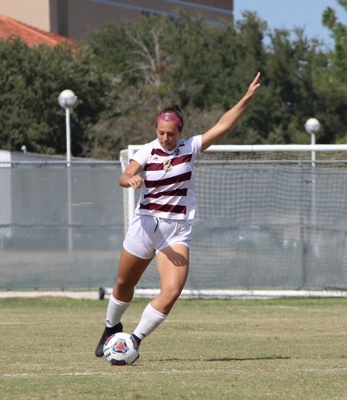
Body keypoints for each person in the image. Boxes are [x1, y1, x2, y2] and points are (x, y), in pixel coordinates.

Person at [95, 72, 262, 358]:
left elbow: (222, 125)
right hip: (145, 226)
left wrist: (246, 98)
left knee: (171, 291)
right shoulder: (147, 152)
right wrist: (131, 180)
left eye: (171, 133)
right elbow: (125, 176)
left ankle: (133, 340)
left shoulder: (190, 148)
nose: (165, 137)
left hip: (176, 231)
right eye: (161, 132)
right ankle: (111, 328)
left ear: (180, 132)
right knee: (124, 283)